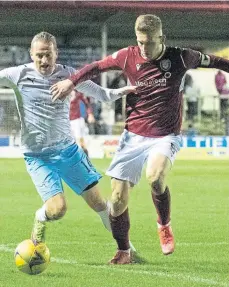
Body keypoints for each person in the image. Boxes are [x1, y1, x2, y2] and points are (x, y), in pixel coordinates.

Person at [50, 14, 229, 264]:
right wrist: (71, 81)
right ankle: (124, 251)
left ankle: (163, 224)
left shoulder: (180, 56)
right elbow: (96, 67)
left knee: (155, 177)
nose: (144, 48)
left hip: (165, 135)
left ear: (161, 38)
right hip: (133, 136)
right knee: (117, 200)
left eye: (150, 42)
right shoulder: (127, 55)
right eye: (141, 42)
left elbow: (218, 61)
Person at [0, 32, 137, 251]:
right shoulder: (17, 74)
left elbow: (101, 94)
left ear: (57, 53)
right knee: (58, 209)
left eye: (48, 55)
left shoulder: (70, 75)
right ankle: (40, 216)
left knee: (100, 204)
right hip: (37, 156)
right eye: (39, 56)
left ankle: (127, 249)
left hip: (69, 152)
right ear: (31, 54)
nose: (44, 61)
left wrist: (124, 91)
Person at [70, 90, 95, 156]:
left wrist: (90, 114)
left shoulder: (78, 92)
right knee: (68, 143)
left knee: (80, 141)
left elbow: (86, 103)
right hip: (65, 121)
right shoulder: (61, 89)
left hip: (76, 120)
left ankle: (86, 159)